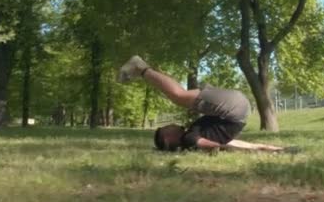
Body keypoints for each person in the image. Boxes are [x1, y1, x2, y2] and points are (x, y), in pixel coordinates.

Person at [118, 55, 291, 153]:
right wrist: (275, 149)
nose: (169, 125)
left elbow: (223, 143)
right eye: (166, 128)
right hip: (234, 108)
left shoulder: (193, 133)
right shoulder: (189, 138)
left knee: (180, 96)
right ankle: (140, 67)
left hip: (237, 110)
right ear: (167, 138)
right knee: (178, 96)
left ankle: (143, 69)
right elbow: (221, 145)